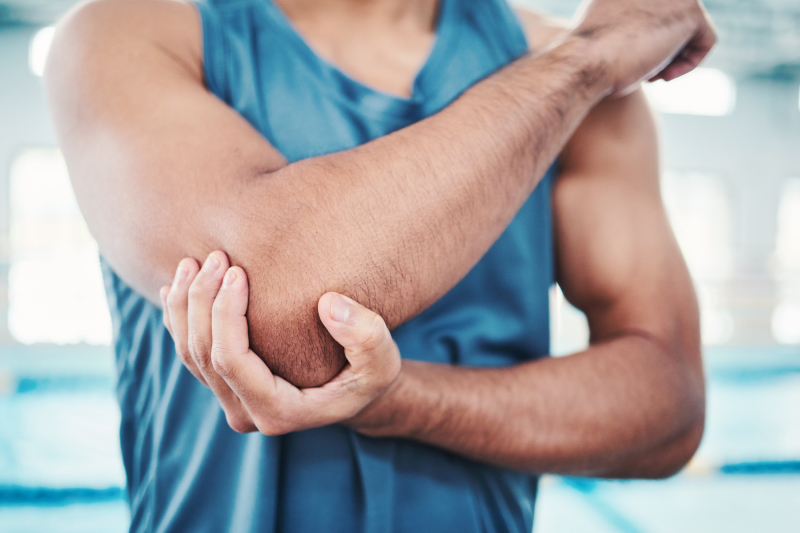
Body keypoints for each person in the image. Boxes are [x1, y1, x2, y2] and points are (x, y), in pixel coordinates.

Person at [44, 0, 714, 530]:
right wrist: (584, 61)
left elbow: (667, 398)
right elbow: (286, 325)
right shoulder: (125, 35)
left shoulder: (580, 77)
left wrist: (405, 400)